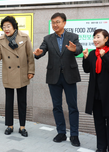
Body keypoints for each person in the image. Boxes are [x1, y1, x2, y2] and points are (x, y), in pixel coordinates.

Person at [33, 12, 83, 147]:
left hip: (69, 76)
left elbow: (78, 48)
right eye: (53, 22)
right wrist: (38, 54)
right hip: (54, 77)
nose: (55, 24)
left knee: (73, 107)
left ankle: (74, 135)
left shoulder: (73, 36)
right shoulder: (48, 38)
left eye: (58, 22)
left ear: (64, 23)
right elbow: (41, 51)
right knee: (57, 106)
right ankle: (61, 132)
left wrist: (74, 49)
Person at [0, 16, 35, 137]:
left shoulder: (24, 37)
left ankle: (22, 127)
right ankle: (9, 125)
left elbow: (29, 56)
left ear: (14, 26)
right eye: (4, 27)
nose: (6, 29)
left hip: (22, 73)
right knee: (9, 102)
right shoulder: (0, 40)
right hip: (8, 74)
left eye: (8, 26)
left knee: (22, 101)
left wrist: (31, 71)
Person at [82, 29, 109, 152]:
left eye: (98, 37)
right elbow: (87, 70)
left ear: (106, 39)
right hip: (96, 94)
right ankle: (101, 147)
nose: (95, 40)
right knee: (99, 123)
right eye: (94, 37)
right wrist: (85, 58)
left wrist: (104, 56)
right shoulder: (93, 53)